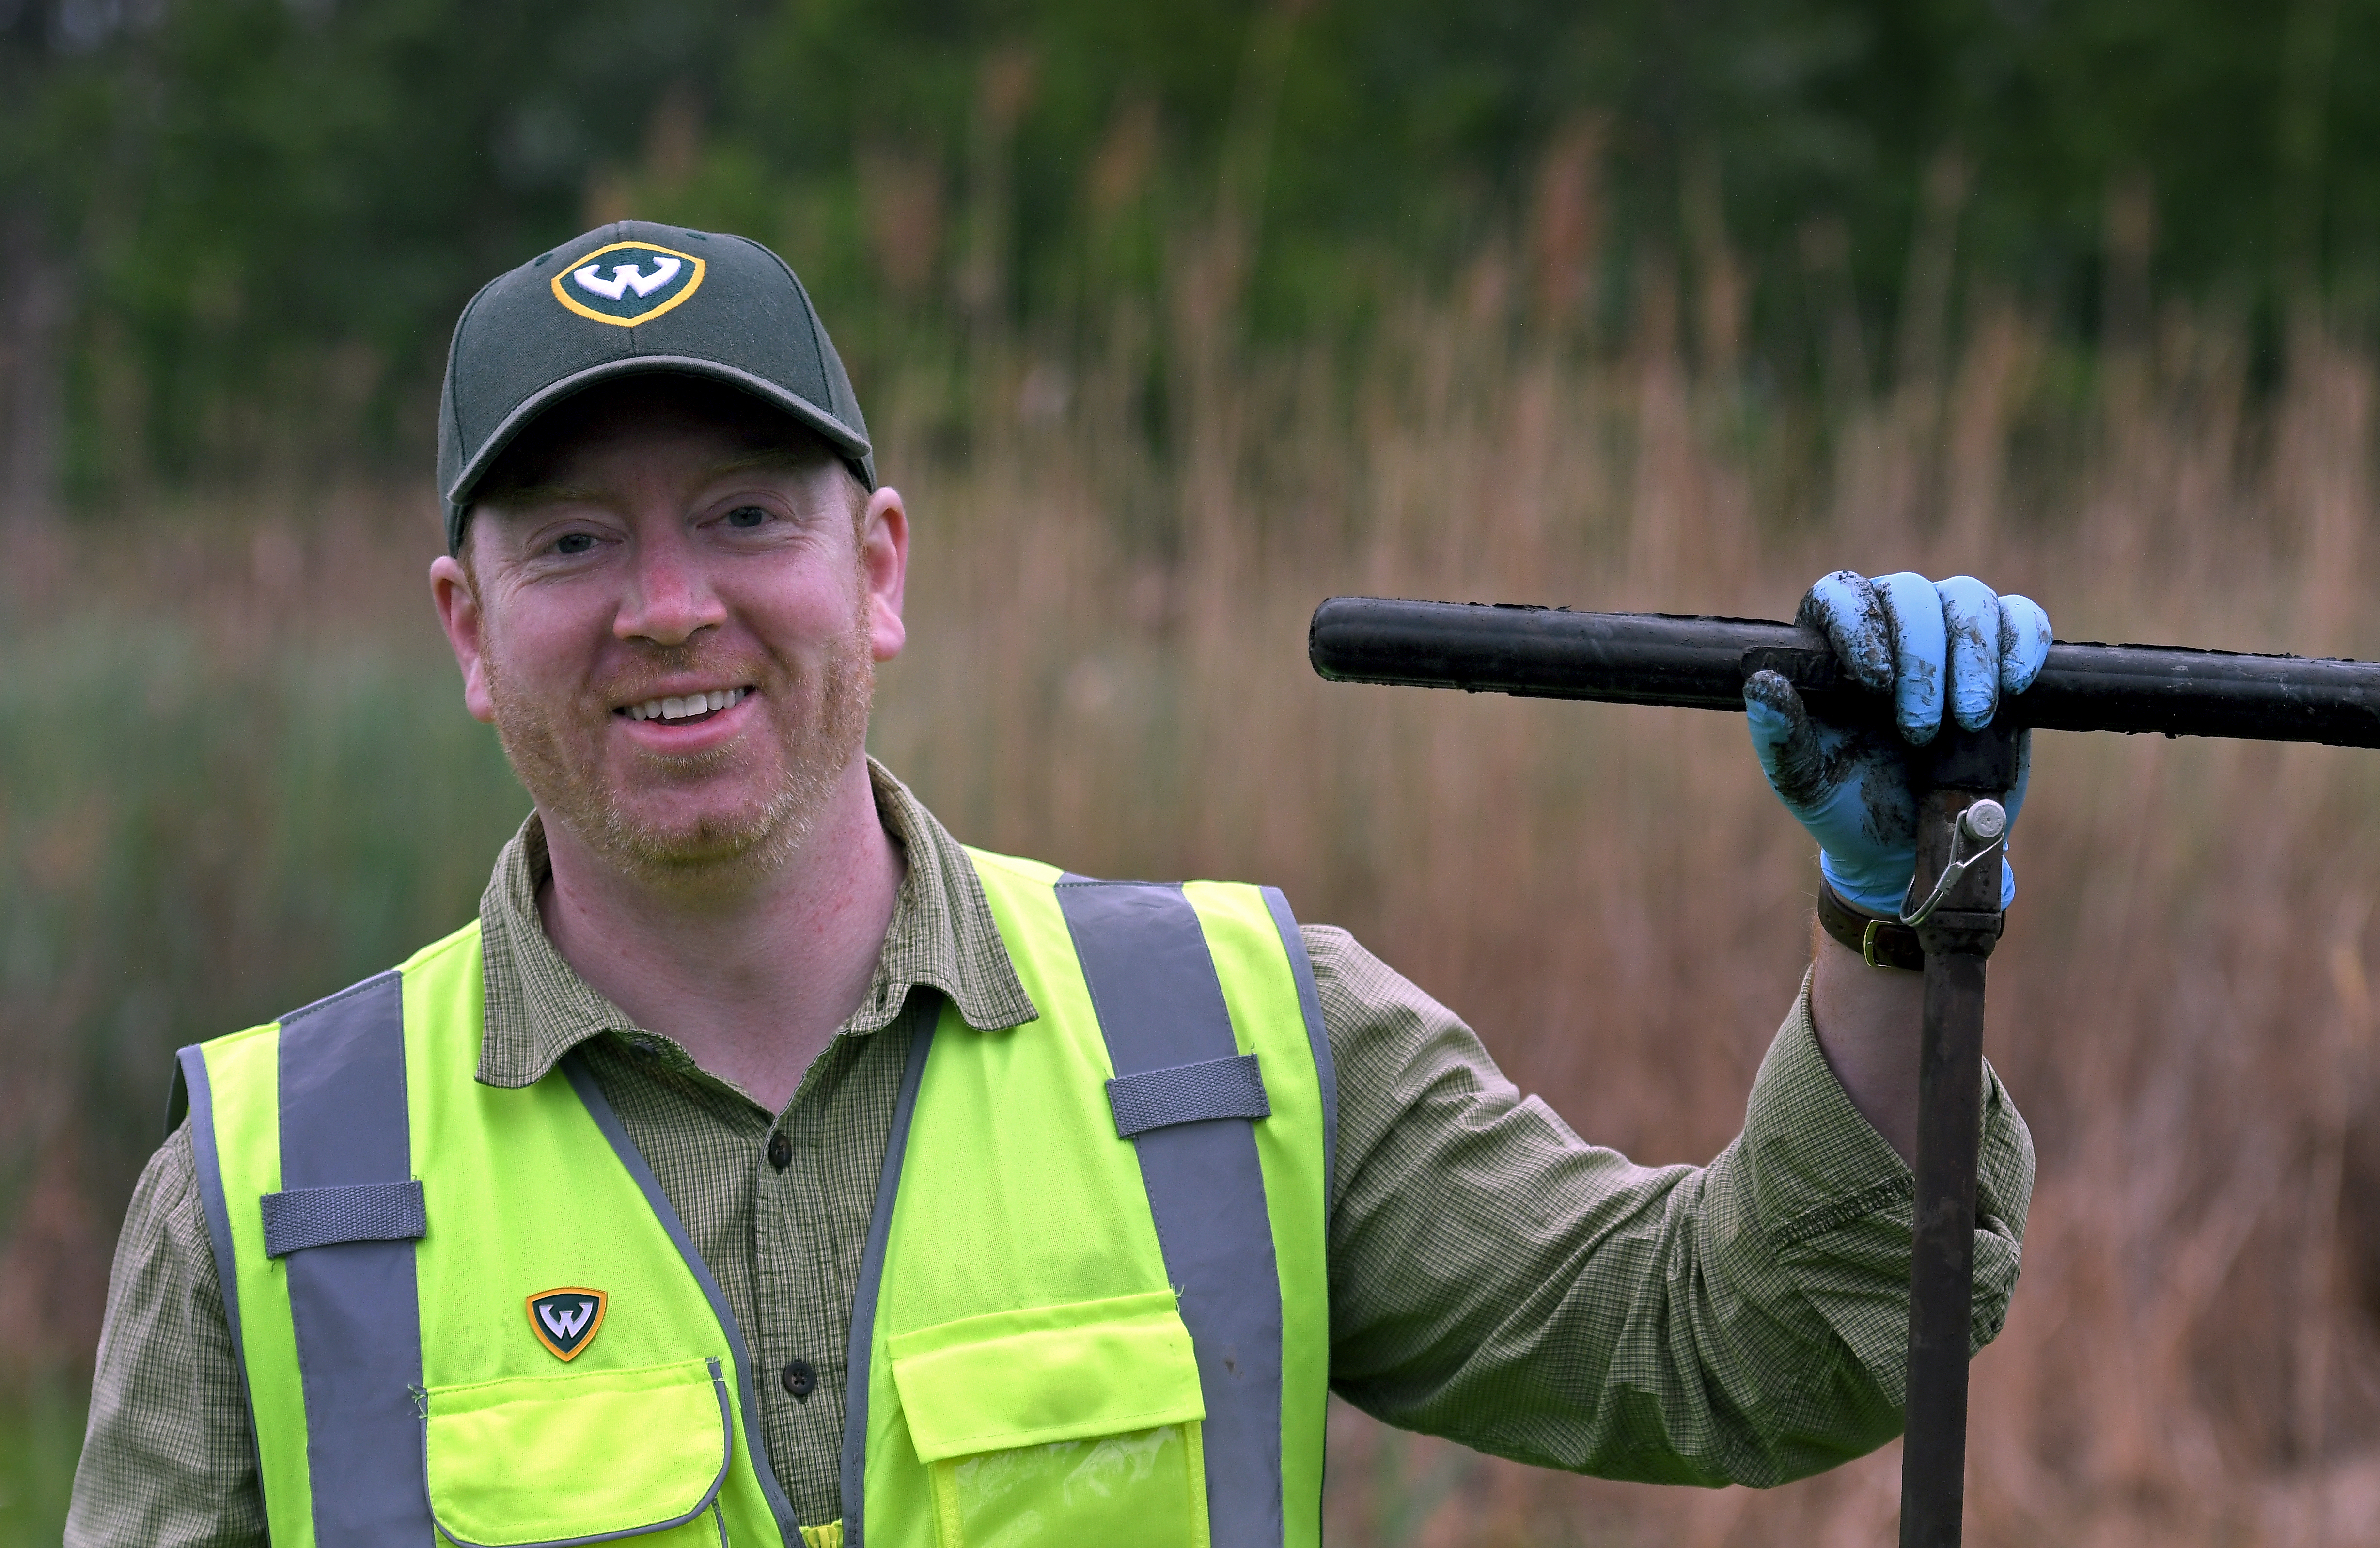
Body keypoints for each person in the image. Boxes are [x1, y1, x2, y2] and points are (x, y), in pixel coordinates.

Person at [66, 222, 2046, 1548]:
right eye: (575, 540)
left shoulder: (1241, 1041)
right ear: (468, 628)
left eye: (747, 517)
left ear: (882, 568)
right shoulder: (270, 1182)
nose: (670, 608)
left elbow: (1746, 1348)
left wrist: (1893, 919)